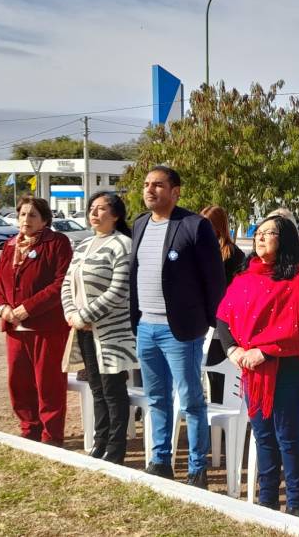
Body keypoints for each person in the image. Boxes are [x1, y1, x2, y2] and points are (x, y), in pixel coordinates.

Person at [216, 215, 299, 516]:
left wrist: (265, 351)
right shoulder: (244, 278)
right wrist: (233, 351)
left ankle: (294, 507)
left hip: (291, 366)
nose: (261, 237)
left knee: (287, 434)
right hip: (251, 367)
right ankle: (267, 503)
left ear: (286, 239)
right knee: (262, 433)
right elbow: (223, 318)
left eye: (270, 233)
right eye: (258, 233)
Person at [129, 166, 226, 487]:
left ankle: (197, 469)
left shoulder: (194, 226)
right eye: (146, 185)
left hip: (181, 331)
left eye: (158, 185)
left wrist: (215, 328)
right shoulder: (140, 224)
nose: (150, 190)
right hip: (146, 327)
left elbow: (214, 281)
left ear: (175, 191)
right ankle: (160, 460)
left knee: (191, 400)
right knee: (156, 397)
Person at [0, 195, 73, 445]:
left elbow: (61, 283)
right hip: (14, 327)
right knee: (19, 381)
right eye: (23, 214)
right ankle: (29, 427)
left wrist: (27, 308)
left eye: (33, 215)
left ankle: (51, 434)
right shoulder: (11, 245)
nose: (26, 219)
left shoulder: (57, 242)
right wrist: (2, 307)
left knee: (48, 382)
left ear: (45, 220)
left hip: (46, 327)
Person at [61, 192, 138, 464]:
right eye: (92, 208)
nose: (94, 213)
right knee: (96, 388)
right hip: (83, 330)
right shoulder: (83, 245)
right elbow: (67, 283)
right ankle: (100, 441)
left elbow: (119, 290)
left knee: (113, 390)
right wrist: (72, 314)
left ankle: (116, 449)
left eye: (102, 209)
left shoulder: (123, 245)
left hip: (111, 332)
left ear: (115, 214)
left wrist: (86, 314)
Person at [200, 205, 246, 403]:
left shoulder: (233, 254)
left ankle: (221, 422)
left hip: (223, 324)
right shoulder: (200, 249)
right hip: (205, 321)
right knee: (212, 376)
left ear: (218, 226)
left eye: (206, 224)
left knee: (219, 376)